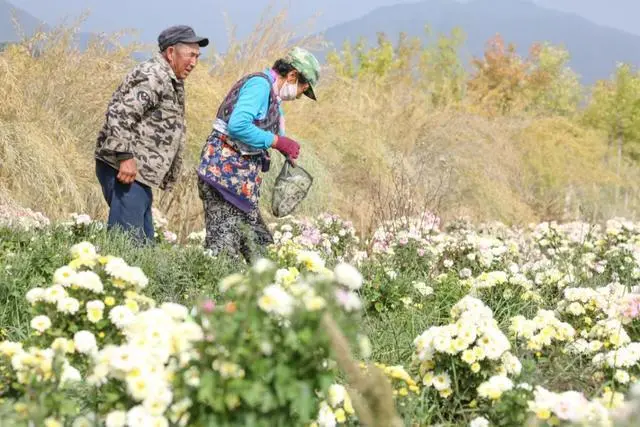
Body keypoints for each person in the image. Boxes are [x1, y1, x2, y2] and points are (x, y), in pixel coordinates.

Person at [196, 46, 321, 262]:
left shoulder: (272, 95)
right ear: (292, 75)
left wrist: (283, 144)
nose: (299, 97)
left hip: (239, 185)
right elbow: (238, 125)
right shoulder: (259, 86)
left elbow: (268, 123)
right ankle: (212, 295)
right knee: (223, 256)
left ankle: (267, 290)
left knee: (263, 253)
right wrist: (276, 142)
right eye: (303, 89)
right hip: (223, 181)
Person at [94, 25, 208, 243]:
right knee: (128, 245)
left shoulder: (170, 78)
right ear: (171, 52)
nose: (194, 63)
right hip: (125, 172)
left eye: (197, 56)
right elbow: (119, 114)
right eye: (190, 55)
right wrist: (125, 157)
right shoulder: (153, 76)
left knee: (143, 245)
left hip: (139, 175)